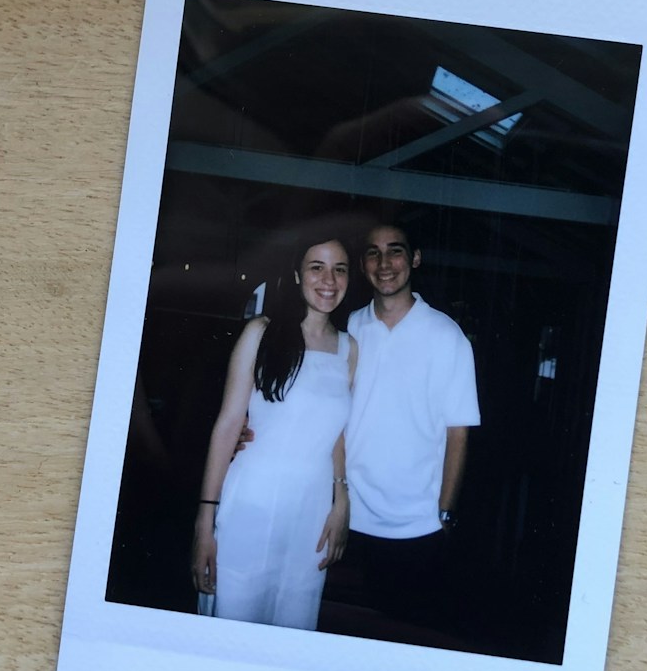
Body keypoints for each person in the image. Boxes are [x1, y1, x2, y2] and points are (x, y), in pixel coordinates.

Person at [189, 236, 355, 629]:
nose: (328, 279)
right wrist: (204, 523)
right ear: (297, 275)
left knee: (293, 624)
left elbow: (335, 431)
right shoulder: (261, 332)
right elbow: (228, 425)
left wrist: (342, 501)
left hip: (311, 514)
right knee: (233, 621)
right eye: (317, 266)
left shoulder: (351, 349)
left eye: (339, 269)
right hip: (251, 502)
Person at [340, 221, 479, 632]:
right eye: (373, 252)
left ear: (414, 259)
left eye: (395, 251)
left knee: (401, 635)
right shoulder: (349, 327)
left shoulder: (446, 336)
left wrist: (445, 513)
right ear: (363, 264)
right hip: (348, 514)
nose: (384, 263)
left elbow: (459, 433)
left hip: (417, 524)